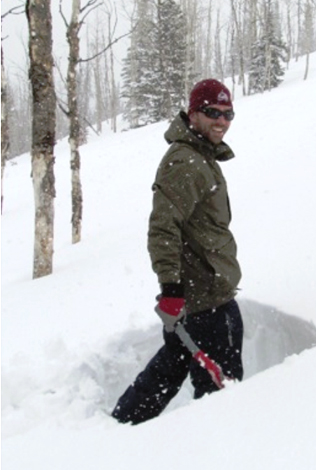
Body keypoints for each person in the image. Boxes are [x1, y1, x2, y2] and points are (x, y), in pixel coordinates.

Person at [112, 79, 243, 425]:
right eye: (212, 112)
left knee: (170, 368)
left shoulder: (201, 156)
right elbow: (163, 228)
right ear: (193, 113)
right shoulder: (187, 162)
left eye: (228, 113)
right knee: (222, 401)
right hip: (205, 302)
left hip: (202, 298)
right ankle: (217, 448)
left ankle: (119, 427)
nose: (222, 121)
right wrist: (170, 289)